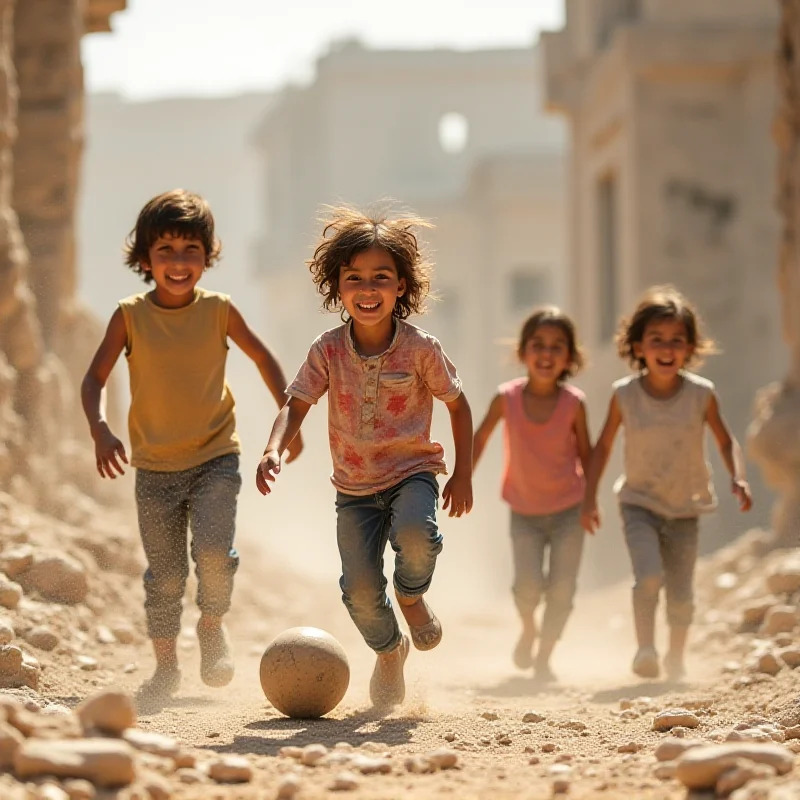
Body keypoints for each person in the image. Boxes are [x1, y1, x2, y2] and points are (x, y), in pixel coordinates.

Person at [81, 189, 302, 698]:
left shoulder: (220, 311)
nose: (179, 263)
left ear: (208, 256)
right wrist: (99, 427)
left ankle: (211, 625)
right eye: (166, 251)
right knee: (164, 575)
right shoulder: (129, 316)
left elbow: (267, 361)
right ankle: (164, 669)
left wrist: (288, 426)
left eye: (190, 252)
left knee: (214, 554)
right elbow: (94, 378)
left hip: (215, 457)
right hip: (153, 468)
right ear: (144, 258)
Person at [256, 206, 473, 709]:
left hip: (412, 473)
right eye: (354, 278)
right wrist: (273, 448)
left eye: (381, 278)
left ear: (401, 287)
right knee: (357, 589)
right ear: (337, 287)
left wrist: (462, 474)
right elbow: (297, 403)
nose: (368, 289)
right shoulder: (327, 350)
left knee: (418, 536)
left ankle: (412, 598)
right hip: (353, 489)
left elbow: (458, 406)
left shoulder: (421, 349)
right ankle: (390, 650)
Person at [580, 285, 752, 681]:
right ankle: (645, 648)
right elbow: (603, 447)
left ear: (690, 348)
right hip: (638, 501)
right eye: (656, 339)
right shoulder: (624, 395)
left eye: (677, 340)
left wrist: (738, 478)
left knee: (681, 591)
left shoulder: (701, 394)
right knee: (649, 575)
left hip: (685, 504)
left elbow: (726, 442)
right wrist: (589, 499)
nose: (667, 348)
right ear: (638, 347)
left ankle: (675, 658)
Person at [472, 307, 592, 682]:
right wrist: (462, 479)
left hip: (569, 510)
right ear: (522, 352)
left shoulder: (574, 403)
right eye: (538, 345)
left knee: (562, 588)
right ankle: (528, 627)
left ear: (570, 358)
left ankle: (544, 656)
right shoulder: (506, 398)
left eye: (557, 347)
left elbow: (588, 456)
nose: (547, 353)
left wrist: (591, 502)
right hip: (523, 510)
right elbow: (480, 438)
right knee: (526, 585)